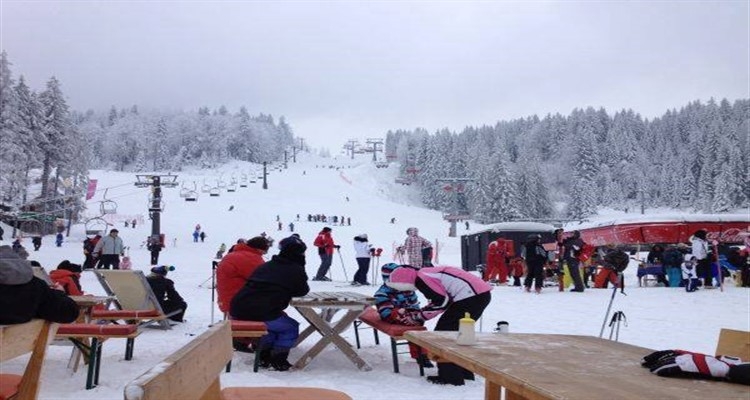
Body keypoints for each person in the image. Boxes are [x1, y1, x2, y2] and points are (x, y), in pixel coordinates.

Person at [387, 265, 492, 386]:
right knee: (460, 334)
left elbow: (441, 302)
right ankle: (464, 372)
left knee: (444, 335)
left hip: (470, 297)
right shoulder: (424, 273)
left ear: (403, 282)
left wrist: (417, 317)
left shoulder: (422, 278)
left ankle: (450, 377)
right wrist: (421, 313)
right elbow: (440, 301)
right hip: (477, 294)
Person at [230, 235, 310, 371]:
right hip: (262, 312)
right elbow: (302, 290)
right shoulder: (295, 269)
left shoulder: (266, 266)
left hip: (238, 309)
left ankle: (264, 356)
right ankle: (278, 359)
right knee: (290, 327)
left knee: (272, 328)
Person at [0, 245, 79, 324]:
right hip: (24, 335)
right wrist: (59, 293)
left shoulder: (36, 285)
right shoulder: (36, 286)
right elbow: (69, 313)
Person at [374, 263, 432, 368]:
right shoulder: (382, 293)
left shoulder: (408, 290)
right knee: (413, 328)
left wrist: (414, 314)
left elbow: (414, 305)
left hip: (408, 316)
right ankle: (421, 356)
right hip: (391, 317)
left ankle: (423, 354)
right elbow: (385, 313)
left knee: (416, 326)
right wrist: (399, 313)